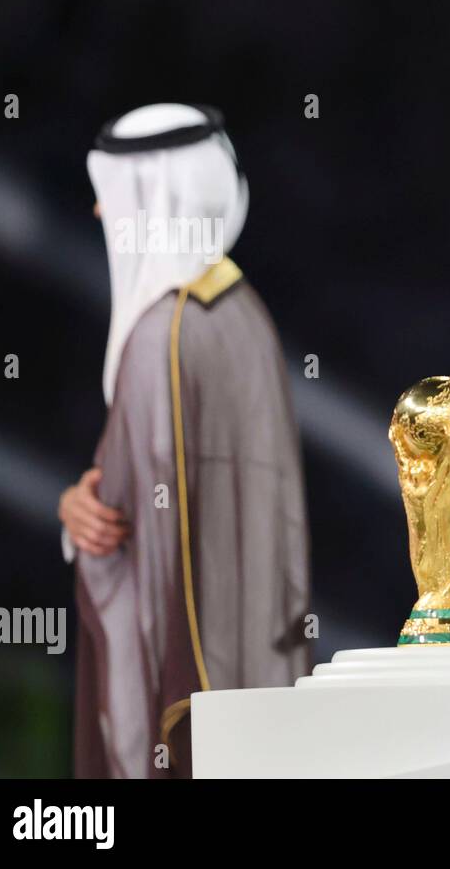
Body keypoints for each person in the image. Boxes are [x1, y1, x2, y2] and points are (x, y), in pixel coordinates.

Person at [56, 103, 312, 778]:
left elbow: (120, 534)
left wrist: (79, 518)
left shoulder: (160, 339)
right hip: (254, 686)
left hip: (189, 708)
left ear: (153, 198)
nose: (101, 216)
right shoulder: (240, 314)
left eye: (113, 198)